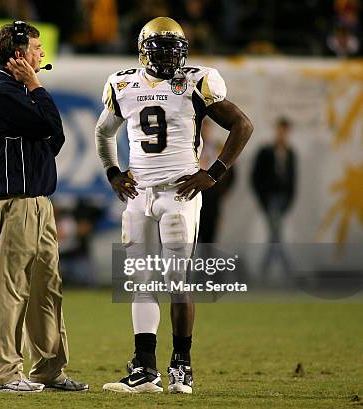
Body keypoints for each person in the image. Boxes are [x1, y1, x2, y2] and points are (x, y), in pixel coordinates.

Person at [95, 17, 253, 394]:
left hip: (178, 194)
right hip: (139, 196)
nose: (167, 58)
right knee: (141, 283)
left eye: (173, 50)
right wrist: (113, 172)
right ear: (142, 50)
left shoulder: (197, 81)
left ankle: (181, 366)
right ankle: (145, 369)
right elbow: (103, 132)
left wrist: (213, 173)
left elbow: (242, 125)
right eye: (159, 49)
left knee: (178, 283)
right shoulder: (123, 83)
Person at [0, 21, 87, 393]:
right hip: (13, 203)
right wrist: (36, 86)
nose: (42, 55)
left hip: (36, 202)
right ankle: (3, 375)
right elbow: (52, 125)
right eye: (36, 48)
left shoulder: (18, 90)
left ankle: (48, 370)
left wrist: (35, 94)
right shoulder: (2, 91)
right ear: (18, 55)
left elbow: (54, 138)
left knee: (47, 288)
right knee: (12, 290)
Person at [252, 117, 296, 273]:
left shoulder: (290, 153)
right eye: (280, 130)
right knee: (276, 234)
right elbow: (255, 177)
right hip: (270, 197)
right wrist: (262, 199)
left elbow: (293, 180)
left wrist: (289, 201)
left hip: (283, 198)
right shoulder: (266, 151)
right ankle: (286, 268)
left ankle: (264, 268)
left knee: (275, 235)